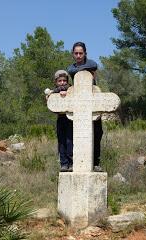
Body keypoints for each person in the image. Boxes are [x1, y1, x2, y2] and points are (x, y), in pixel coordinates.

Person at [67, 41, 103, 172]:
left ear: (85, 53)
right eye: (75, 53)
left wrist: (81, 70)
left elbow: (94, 65)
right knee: (76, 136)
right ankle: (73, 163)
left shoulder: (91, 64)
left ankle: (96, 163)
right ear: (72, 54)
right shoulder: (71, 69)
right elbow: (71, 70)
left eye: (80, 53)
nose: (78, 56)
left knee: (97, 133)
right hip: (78, 105)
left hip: (91, 102)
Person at [47, 70, 73, 172]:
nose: (62, 83)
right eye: (59, 81)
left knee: (70, 141)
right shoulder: (54, 92)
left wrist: (64, 91)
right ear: (56, 82)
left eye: (64, 80)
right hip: (61, 118)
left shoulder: (71, 89)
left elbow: (67, 89)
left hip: (71, 118)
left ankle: (71, 163)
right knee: (61, 141)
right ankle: (64, 164)